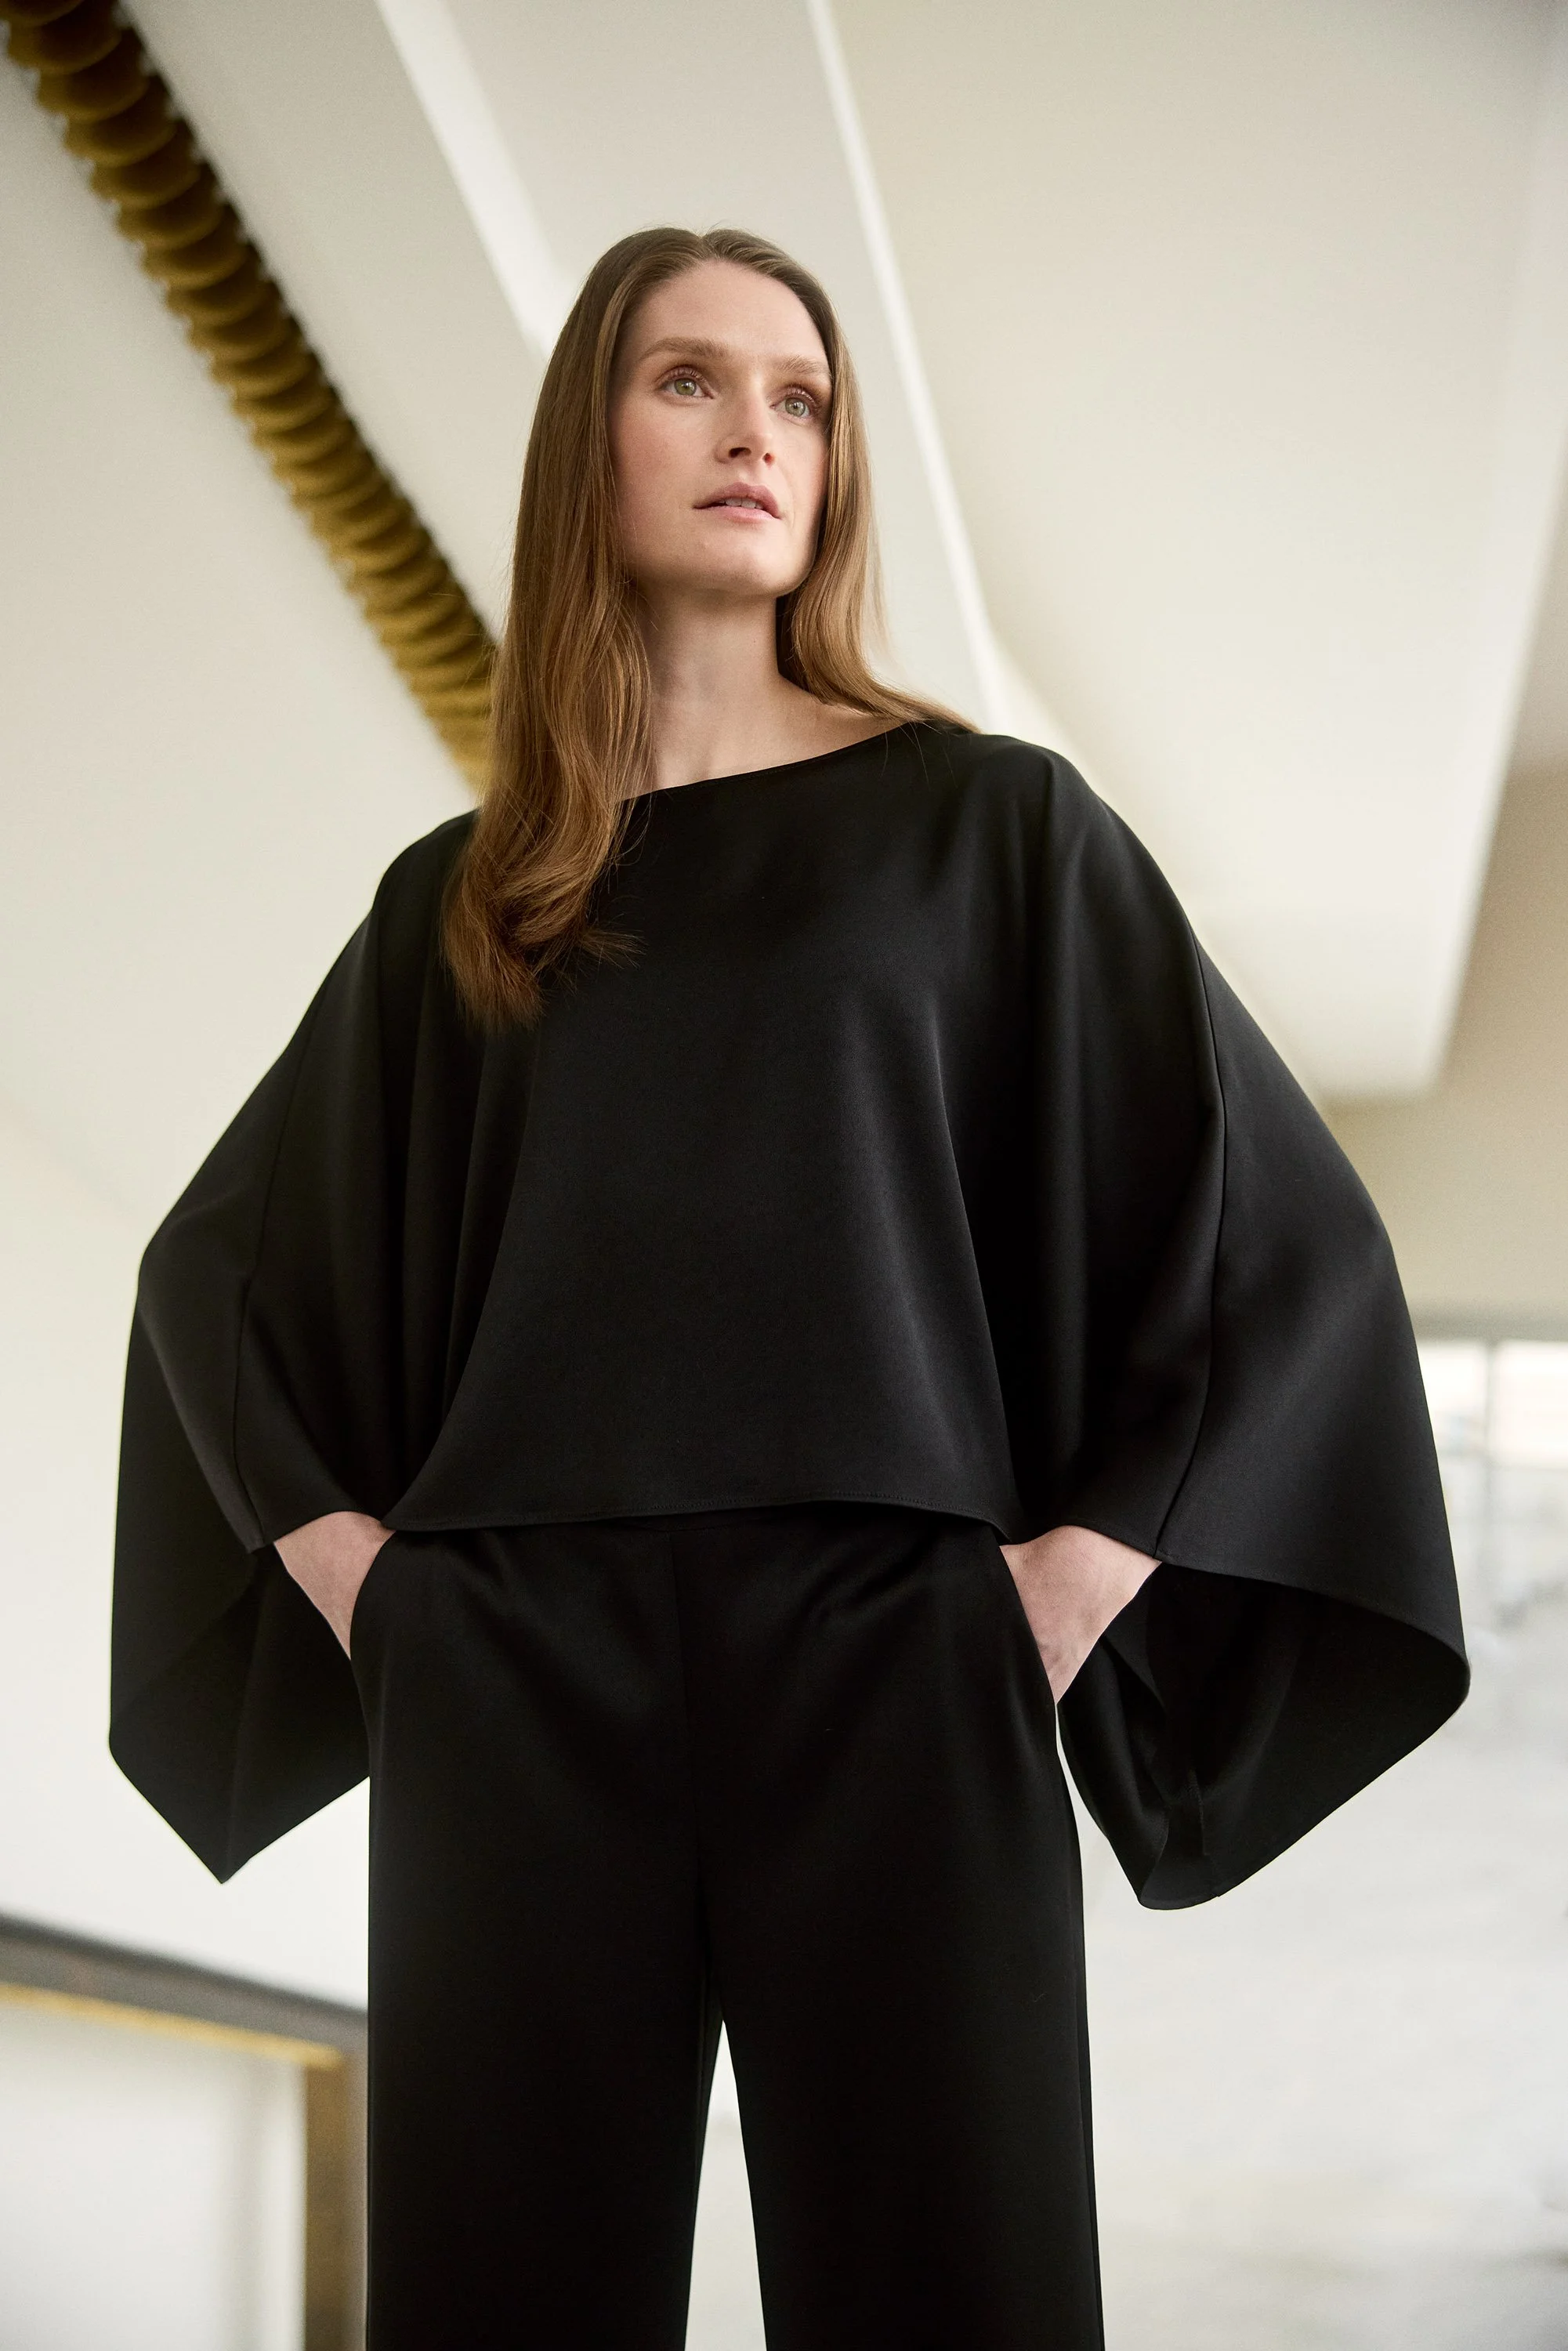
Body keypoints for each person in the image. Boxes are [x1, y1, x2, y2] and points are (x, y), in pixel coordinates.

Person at [110, 226, 1468, 2349]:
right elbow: (219, 1273)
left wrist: (1065, 1583)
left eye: (804, 396)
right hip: (519, 1677)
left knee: (960, 2291)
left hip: (896, 1657)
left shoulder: (991, 833)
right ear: (593, 443)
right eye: (689, 380)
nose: (759, 429)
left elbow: (1260, 1232)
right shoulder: (465, 901)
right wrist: (387, 1595)